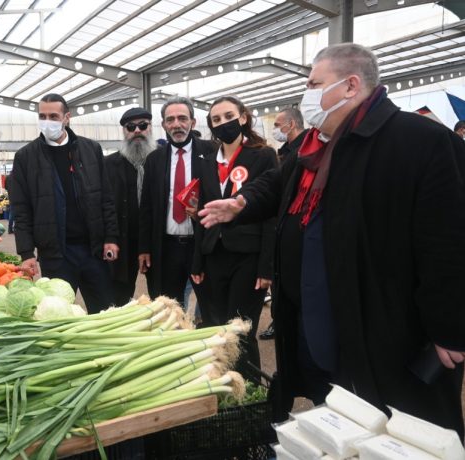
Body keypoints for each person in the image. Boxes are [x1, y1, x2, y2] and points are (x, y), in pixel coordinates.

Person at [198, 43, 465, 436]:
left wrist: (449, 326)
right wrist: (241, 203)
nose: (306, 95)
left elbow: (447, 242)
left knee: (398, 427)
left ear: (350, 85)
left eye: (313, 83)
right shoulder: (314, 146)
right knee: (338, 415)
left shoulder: (419, 141)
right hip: (318, 320)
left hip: (383, 324)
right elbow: (275, 184)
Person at [9, 93, 119, 313]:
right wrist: (27, 253)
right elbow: (21, 210)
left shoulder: (91, 150)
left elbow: (106, 198)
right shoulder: (25, 157)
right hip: (55, 254)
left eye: (53, 115)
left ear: (66, 117)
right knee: (58, 312)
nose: (47, 121)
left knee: (104, 310)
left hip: (93, 250)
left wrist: (111, 238)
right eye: (42, 116)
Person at [190, 96, 276, 371]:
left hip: (248, 257)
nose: (223, 123)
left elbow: (271, 213)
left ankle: (249, 390)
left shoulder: (263, 155)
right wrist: (197, 261)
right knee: (217, 325)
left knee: (241, 328)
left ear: (243, 117)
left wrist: (267, 267)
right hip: (214, 253)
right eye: (216, 120)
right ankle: (223, 383)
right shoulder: (205, 161)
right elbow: (202, 216)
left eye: (229, 116)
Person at [139, 96, 210, 310]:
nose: (176, 124)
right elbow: (147, 208)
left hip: (201, 244)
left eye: (182, 118)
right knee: (168, 308)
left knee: (210, 303)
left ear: (193, 122)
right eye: (170, 120)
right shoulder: (154, 159)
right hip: (167, 247)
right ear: (163, 125)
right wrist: (144, 248)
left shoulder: (211, 152)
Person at [260, 107, 308, 341]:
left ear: (292, 124)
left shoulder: (304, 150)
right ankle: (279, 322)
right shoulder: (284, 151)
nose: (276, 130)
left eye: (279, 125)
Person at [105, 107, 155, 305]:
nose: (137, 131)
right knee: (120, 296)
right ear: (124, 131)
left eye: (143, 125)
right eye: (130, 127)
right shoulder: (108, 164)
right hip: (122, 243)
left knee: (163, 294)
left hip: (154, 241)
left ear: (150, 128)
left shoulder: (161, 161)